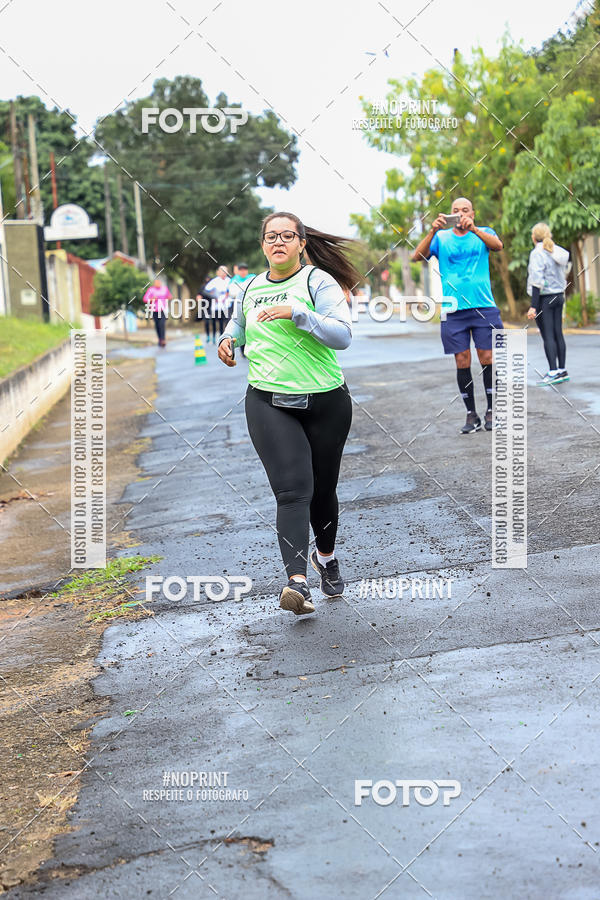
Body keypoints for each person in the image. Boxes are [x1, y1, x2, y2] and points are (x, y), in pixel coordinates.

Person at [217, 212, 358, 616]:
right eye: (271, 236)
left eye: (286, 235)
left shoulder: (317, 282)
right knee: (293, 490)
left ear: (301, 243)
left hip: (326, 400)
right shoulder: (251, 287)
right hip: (268, 400)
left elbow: (342, 336)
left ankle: (326, 558)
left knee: (323, 491)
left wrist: (297, 313)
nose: (278, 242)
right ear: (262, 245)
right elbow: (238, 324)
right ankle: (297, 583)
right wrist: (228, 339)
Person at [411, 197, 504, 433]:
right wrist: (432, 231)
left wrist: (474, 230)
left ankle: (491, 411)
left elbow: (498, 246)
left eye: (465, 210)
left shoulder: (484, 232)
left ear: (472, 214)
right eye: (455, 210)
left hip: (483, 306)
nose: (460, 213)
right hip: (453, 309)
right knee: (462, 360)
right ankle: (471, 414)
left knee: (487, 357)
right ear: (449, 214)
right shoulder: (441, 238)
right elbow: (416, 256)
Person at [526, 223, 570, 385]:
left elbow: (536, 281)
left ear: (534, 237)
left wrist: (533, 306)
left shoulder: (537, 253)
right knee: (558, 333)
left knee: (548, 335)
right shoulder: (556, 250)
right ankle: (562, 370)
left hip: (545, 299)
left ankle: (553, 371)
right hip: (559, 296)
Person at [227, 263, 256, 357]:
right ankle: (242, 349)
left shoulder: (252, 278)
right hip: (238, 305)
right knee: (241, 326)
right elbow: (232, 293)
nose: (243, 272)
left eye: (245, 270)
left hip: (250, 305)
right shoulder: (234, 280)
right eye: (241, 270)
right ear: (238, 271)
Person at [143, 280, 172, 347]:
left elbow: (170, 296)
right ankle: (160, 339)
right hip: (154, 310)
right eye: (156, 283)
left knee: (162, 324)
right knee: (157, 325)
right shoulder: (151, 290)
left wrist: (167, 299)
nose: (158, 284)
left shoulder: (164, 289)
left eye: (159, 283)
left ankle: (163, 339)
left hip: (163, 309)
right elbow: (145, 299)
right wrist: (152, 299)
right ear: (154, 284)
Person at [204, 266, 230, 338]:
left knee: (227, 321)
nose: (224, 273)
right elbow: (206, 291)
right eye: (222, 271)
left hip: (227, 304)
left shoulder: (230, 280)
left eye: (225, 271)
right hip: (217, 304)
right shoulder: (214, 281)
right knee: (216, 321)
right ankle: (215, 336)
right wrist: (214, 297)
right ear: (218, 272)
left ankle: (226, 336)